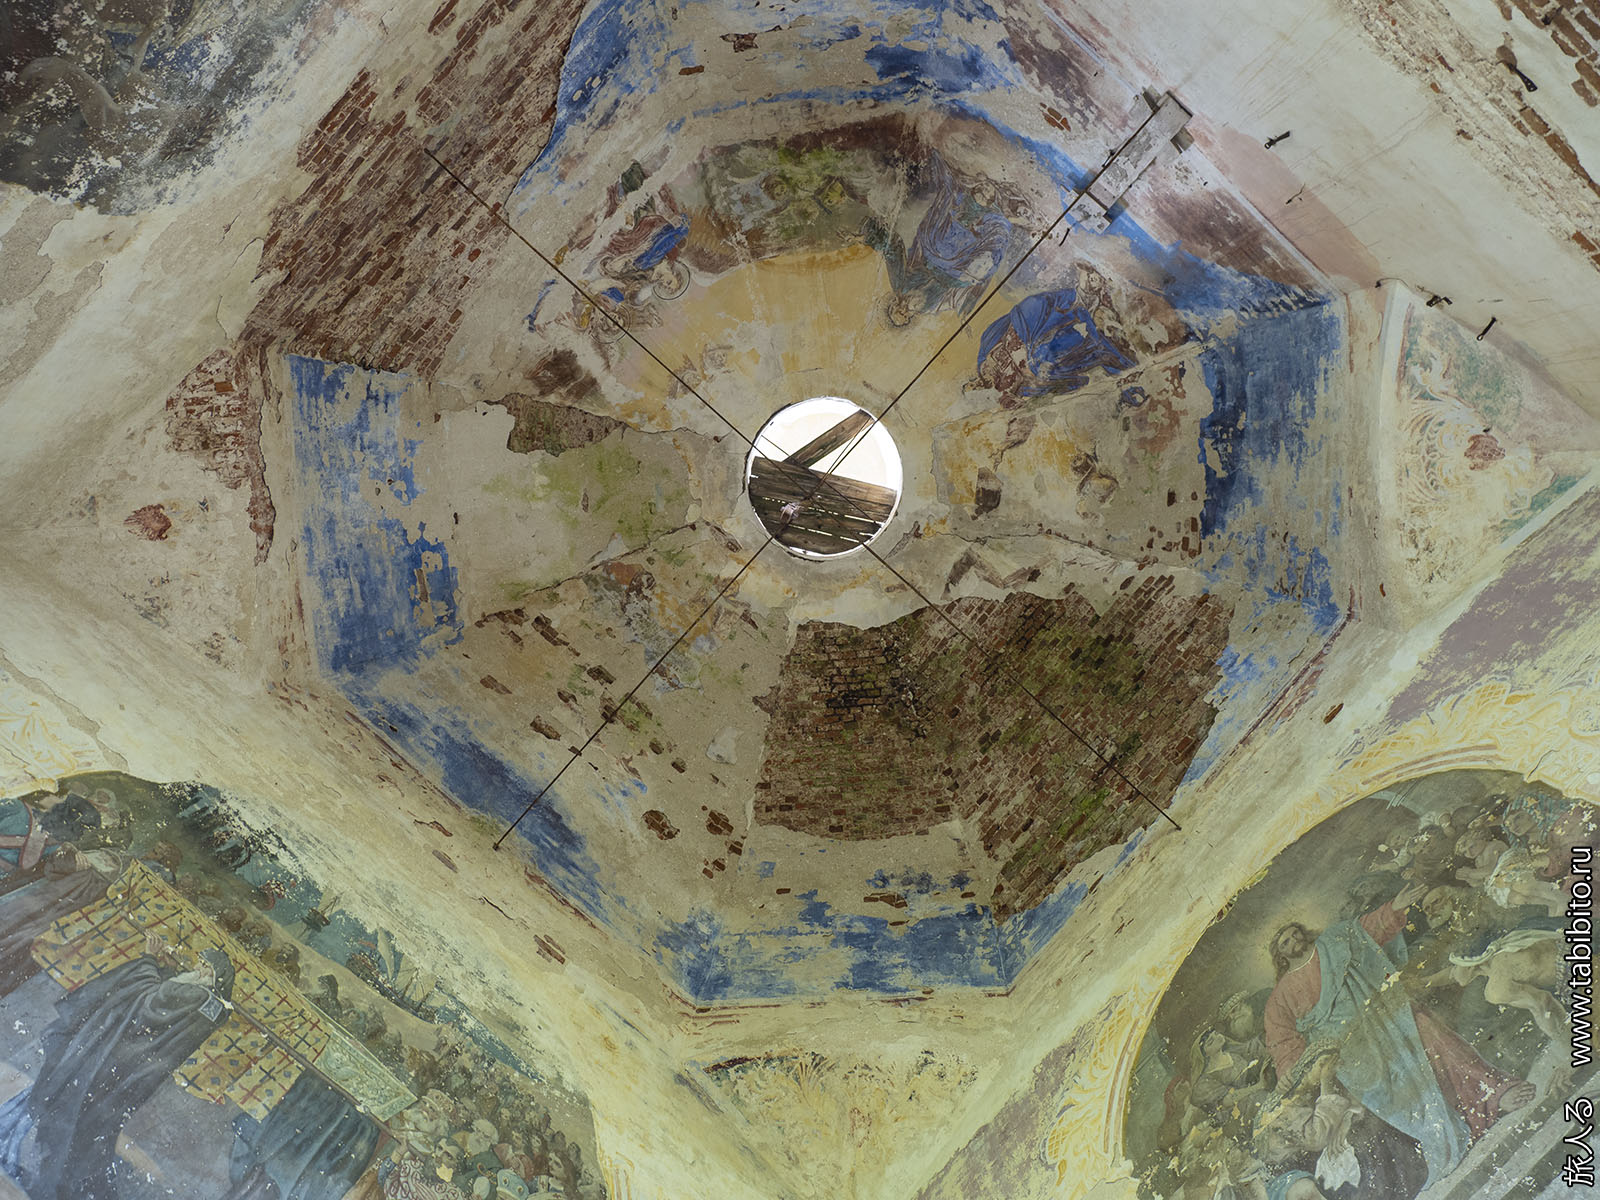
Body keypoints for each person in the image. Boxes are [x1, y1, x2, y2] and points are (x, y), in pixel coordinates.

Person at [1263, 883, 1534, 1181]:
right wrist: (1288, 1071)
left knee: (1439, 1043)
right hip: (1353, 1053)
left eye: (1294, 934)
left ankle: (1494, 1094)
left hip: (1388, 1014)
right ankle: (1441, 1133)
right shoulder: (1280, 997)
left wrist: (1395, 907)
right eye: (1285, 942)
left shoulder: (1334, 940)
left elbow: (1367, 929)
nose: (1293, 941)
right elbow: (1282, 1040)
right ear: (1280, 954)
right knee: (1401, 1092)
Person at [0, 935, 235, 1199]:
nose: (198, 968)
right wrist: (168, 970)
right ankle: (58, 1170)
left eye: (205, 966)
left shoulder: (197, 992)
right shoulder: (214, 1007)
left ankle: (47, 1168)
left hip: (114, 1056)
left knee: (73, 1103)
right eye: (201, 963)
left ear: (215, 975)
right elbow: (167, 1008)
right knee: (88, 1119)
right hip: (134, 1068)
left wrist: (149, 959)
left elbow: (150, 1004)